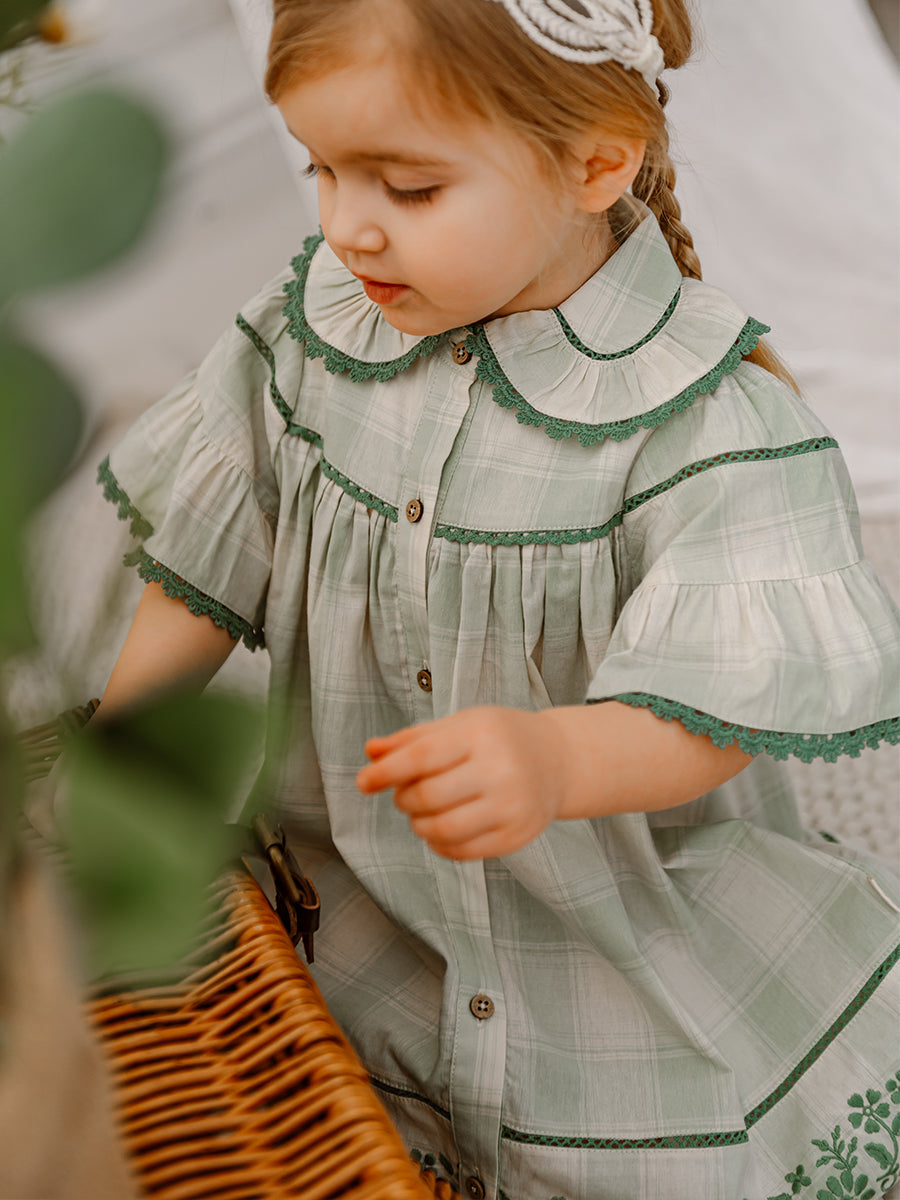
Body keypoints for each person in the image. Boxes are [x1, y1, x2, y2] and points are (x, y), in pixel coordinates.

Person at [96, 1, 900, 1196]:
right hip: (363, 899)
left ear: (595, 165)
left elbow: (722, 705)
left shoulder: (709, 424)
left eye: (410, 188)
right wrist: (115, 744)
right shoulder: (313, 330)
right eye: (322, 170)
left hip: (605, 926)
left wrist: (556, 760)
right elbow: (212, 554)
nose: (348, 227)